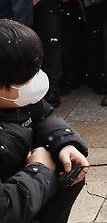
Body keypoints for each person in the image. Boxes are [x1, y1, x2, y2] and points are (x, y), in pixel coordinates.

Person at [0, 19, 89, 223]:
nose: (34, 83)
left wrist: (65, 144)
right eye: (24, 79)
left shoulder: (17, 100)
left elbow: (44, 117)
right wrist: (39, 171)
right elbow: (5, 210)